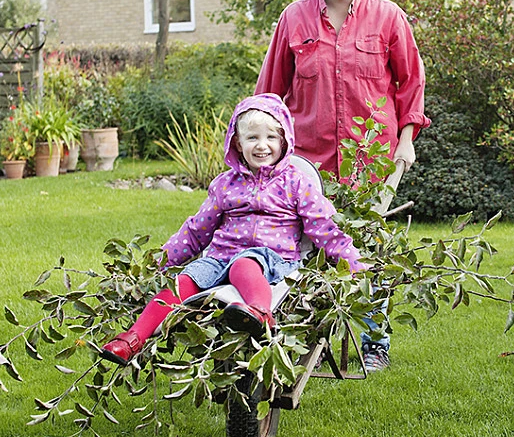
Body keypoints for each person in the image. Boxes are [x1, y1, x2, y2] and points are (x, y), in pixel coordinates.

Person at [255, 0, 430, 372]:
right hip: (307, 163)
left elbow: (410, 82)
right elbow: (270, 94)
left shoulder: (388, 17)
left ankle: (374, 345)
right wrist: (262, 151)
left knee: (367, 250)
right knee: (301, 249)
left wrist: (406, 140)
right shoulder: (294, 19)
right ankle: (294, 337)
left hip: (371, 161)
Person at [100, 94, 364, 366]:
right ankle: (132, 339)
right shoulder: (225, 184)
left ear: (284, 140)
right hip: (219, 258)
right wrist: (161, 261)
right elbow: (196, 229)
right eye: (252, 138)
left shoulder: (296, 183)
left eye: (271, 138)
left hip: (271, 259)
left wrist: (352, 262)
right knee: (182, 282)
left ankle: (260, 314)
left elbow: (323, 226)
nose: (262, 146)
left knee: (244, 264)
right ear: (237, 142)